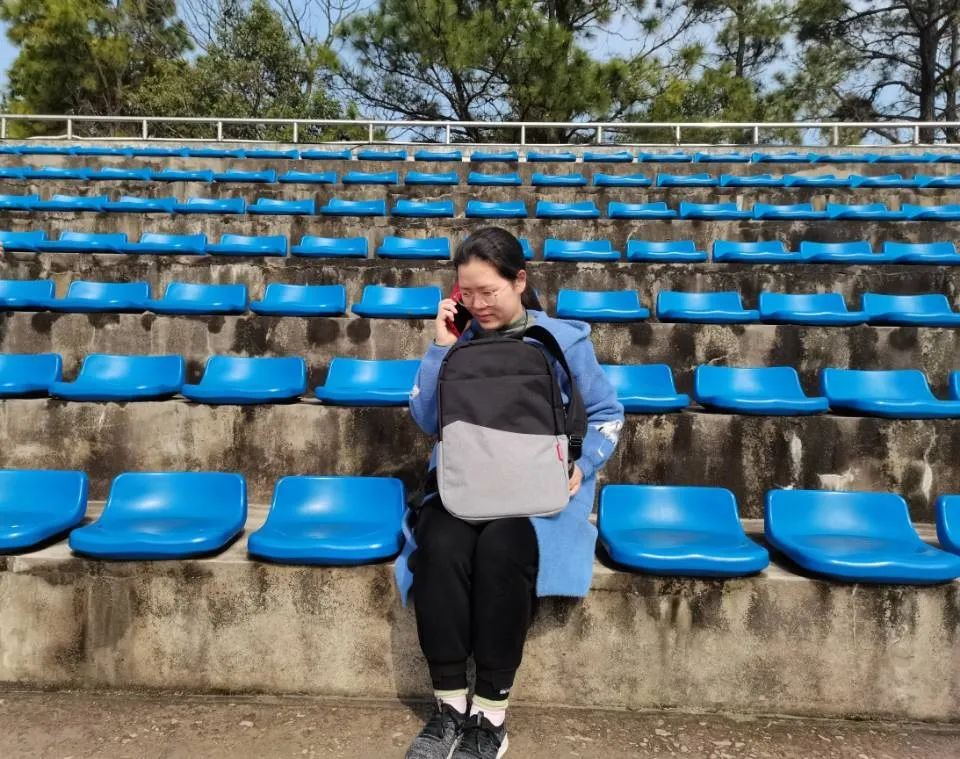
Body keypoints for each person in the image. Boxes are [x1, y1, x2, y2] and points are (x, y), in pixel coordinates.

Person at [396, 227, 625, 759]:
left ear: (520, 281)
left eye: (489, 292)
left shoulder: (562, 342)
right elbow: (427, 419)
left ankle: (490, 716)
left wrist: (582, 464)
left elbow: (607, 415)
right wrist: (441, 347)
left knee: (503, 548)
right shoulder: (458, 344)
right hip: (465, 488)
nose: (477, 304)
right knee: (441, 547)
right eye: (467, 293)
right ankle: (449, 707)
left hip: (536, 494)